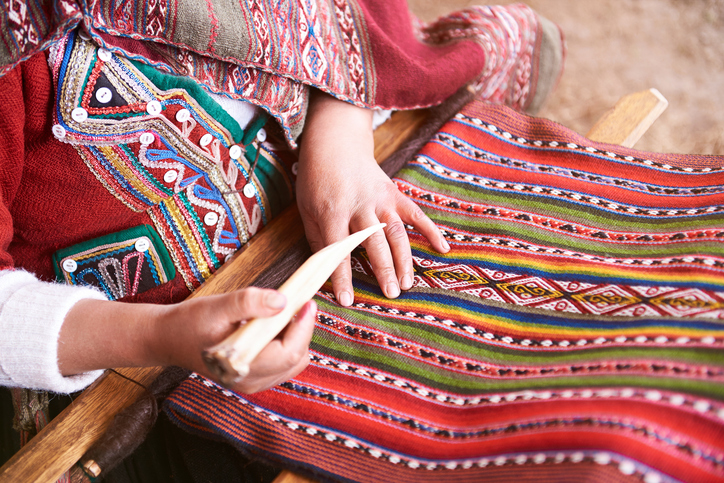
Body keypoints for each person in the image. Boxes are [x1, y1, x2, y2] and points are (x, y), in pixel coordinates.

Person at [0, 0, 564, 477]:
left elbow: (342, 19)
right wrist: (163, 337)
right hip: (133, 372)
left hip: (291, 223)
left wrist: (340, 131)